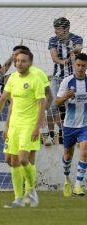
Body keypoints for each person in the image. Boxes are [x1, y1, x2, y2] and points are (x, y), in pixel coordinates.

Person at [0, 50, 45, 208]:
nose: (19, 64)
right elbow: (3, 99)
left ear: (30, 63)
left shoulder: (36, 80)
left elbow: (42, 106)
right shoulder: (12, 78)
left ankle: (31, 188)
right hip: (14, 125)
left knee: (22, 159)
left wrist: (37, 127)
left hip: (29, 125)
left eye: (23, 61)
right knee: (10, 160)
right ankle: (19, 199)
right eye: (18, 61)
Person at [55, 53, 87, 197]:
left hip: (84, 125)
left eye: (83, 66)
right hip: (69, 125)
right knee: (67, 154)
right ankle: (67, 178)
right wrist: (66, 96)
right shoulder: (67, 81)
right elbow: (56, 102)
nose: (80, 68)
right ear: (74, 65)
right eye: (78, 65)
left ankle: (78, 185)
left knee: (85, 151)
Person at [48, 17, 83, 144]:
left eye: (58, 29)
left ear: (66, 29)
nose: (56, 31)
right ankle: (51, 135)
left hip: (73, 78)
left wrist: (74, 49)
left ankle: (73, 133)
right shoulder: (53, 40)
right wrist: (64, 61)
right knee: (52, 106)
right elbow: (54, 57)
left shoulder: (77, 38)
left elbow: (79, 48)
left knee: (74, 105)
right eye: (55, 28)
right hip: (57, 77)